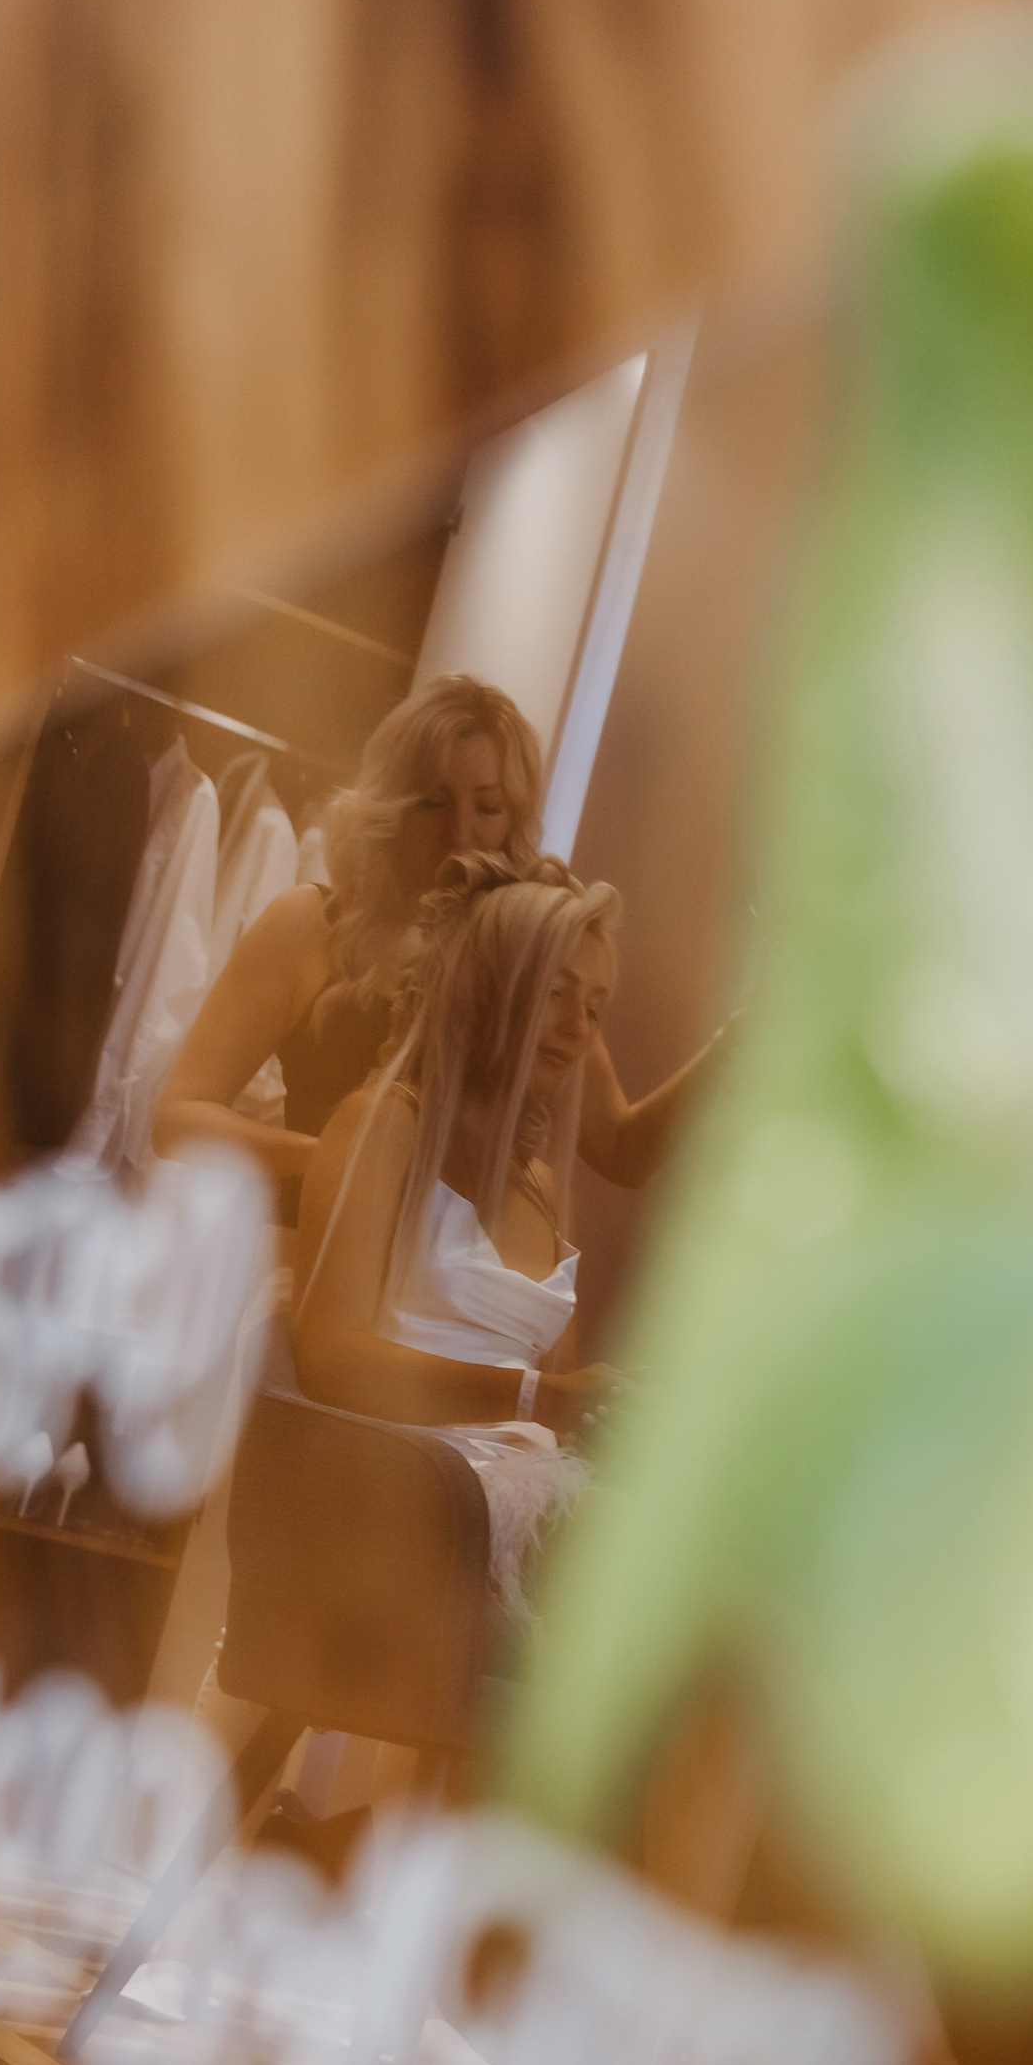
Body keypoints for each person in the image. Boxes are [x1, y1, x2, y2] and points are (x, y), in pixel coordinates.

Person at [154, 670, 716, 1199]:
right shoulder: (310, 925)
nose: (458, 832)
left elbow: (620, 1149)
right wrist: (335, 1155)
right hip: (302, 1249)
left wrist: (734, 1045)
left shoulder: (526, 955)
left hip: (444, 1268)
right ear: (392, 804)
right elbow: (178, 1119)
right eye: (432, 802)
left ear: (514, 819)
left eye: (487, 807)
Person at [293, 852, 624, 1610]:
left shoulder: (541, 1188)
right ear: (491, 987)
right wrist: (542, 1398)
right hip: (401, 1490)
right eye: (555, 994)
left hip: (522, 1495)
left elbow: (560, 1398)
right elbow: (328, 1358)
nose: (576, 1028)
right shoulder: (383, 1127)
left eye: (595, 1007)